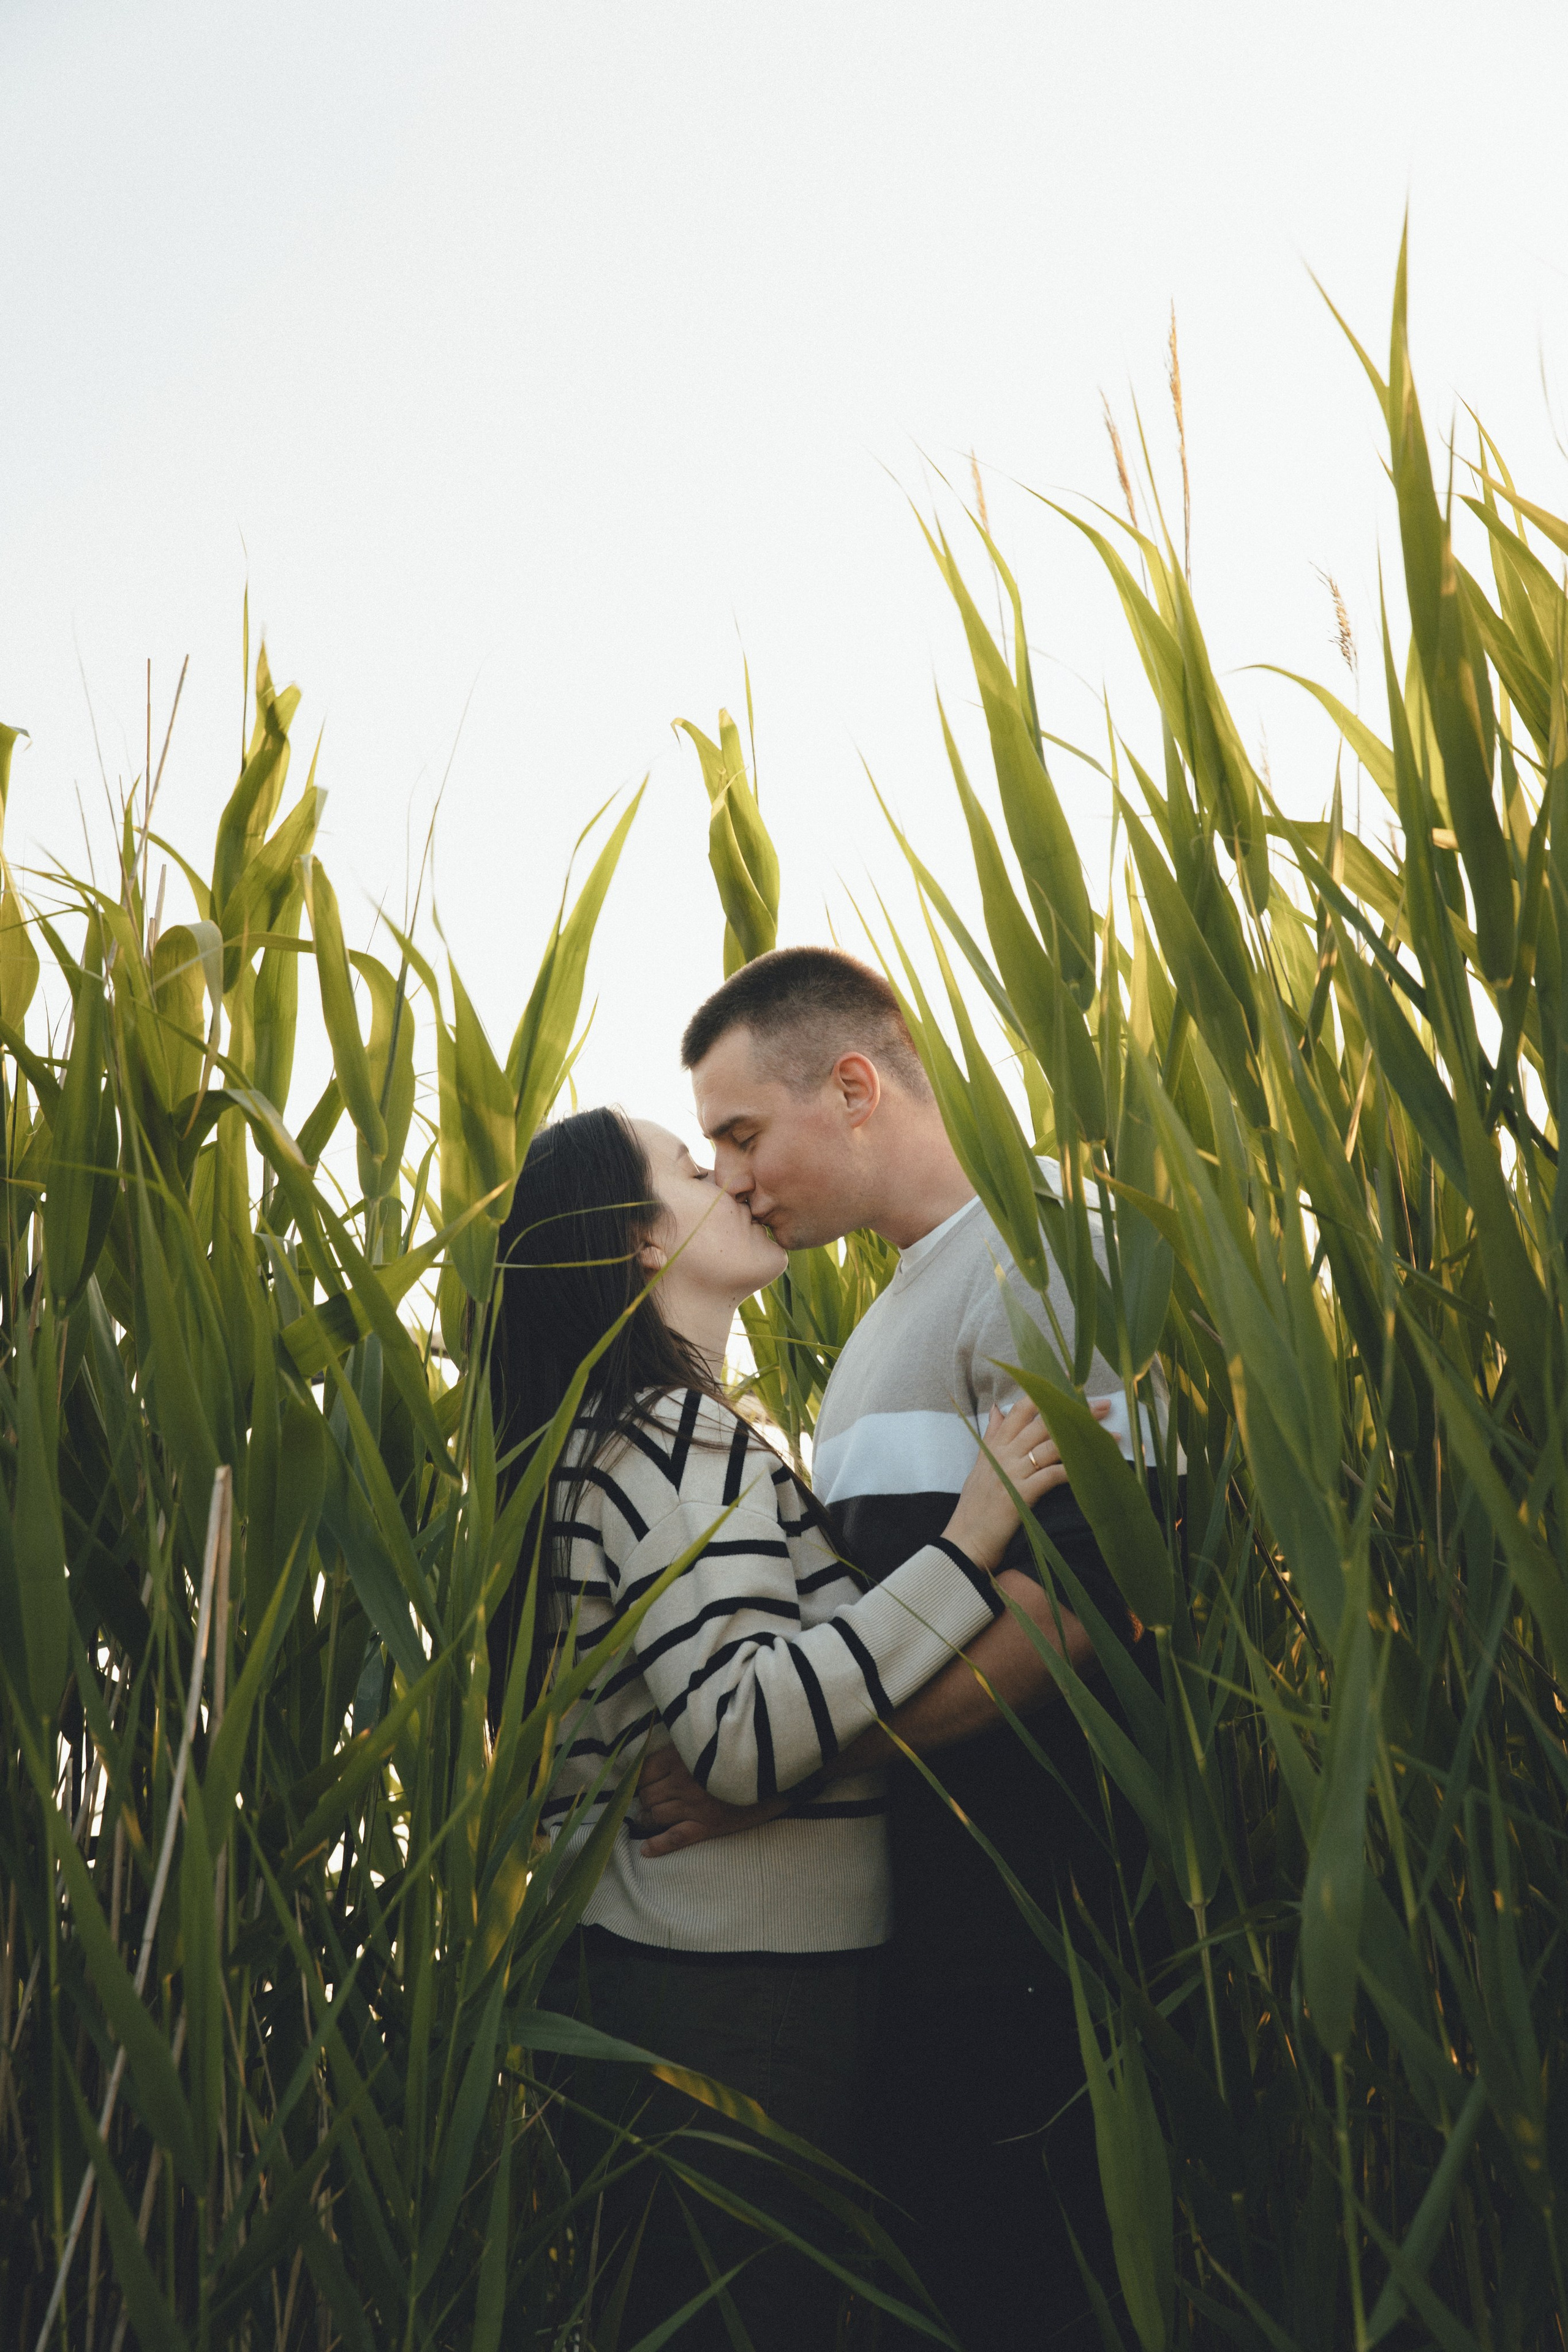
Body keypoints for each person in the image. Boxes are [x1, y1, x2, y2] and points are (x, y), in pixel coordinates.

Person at [486, 1104, 1085, 2352]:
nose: (735, 1180)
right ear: (643, 1241)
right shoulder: (671, 1440)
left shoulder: (634, 1435)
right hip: (724, 1998)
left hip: (687, 1984)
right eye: (692, 1164)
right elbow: (742, 1735)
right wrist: (970, 1539)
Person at [638, 946, 1151, 2350]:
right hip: (908, 1946)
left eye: (743, 1134)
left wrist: (784, 1773)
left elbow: (1073, 1616)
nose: (731, 1179)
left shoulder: (1055, 1258)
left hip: (1043, 1939)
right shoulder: (874, 1333)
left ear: (853, 1087)